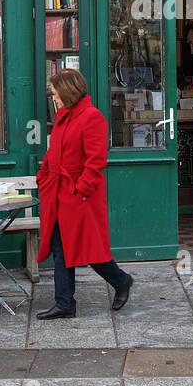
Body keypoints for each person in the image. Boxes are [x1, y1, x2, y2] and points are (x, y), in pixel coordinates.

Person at [34, 69, 133, 318]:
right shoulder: (63, 116)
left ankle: (121, 281)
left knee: (90, 249)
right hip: (59, 192)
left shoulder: (92, 117)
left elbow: (96, 161)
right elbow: (53, 151)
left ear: (67, 92)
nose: (53, 98)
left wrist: (81, 191)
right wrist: (44, 175)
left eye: (55, 94)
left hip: (79, 196)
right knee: (61, 248)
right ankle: (65, 303)